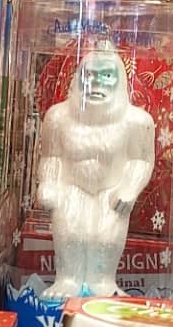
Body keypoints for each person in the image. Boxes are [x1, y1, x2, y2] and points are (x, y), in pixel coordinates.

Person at [36, 43, 154, 298]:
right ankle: (67, 279)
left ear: (120, 80)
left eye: (106, 75)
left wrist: (130, 188)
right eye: (90, 74)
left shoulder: (137, 121)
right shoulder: (58, 117)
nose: (96, 83)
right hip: (71, 188)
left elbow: (141, 160)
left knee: (105, 238)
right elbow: (51, 156)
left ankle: (103, 283)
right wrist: (49, 183)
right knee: (70, 232)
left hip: (110, 191)